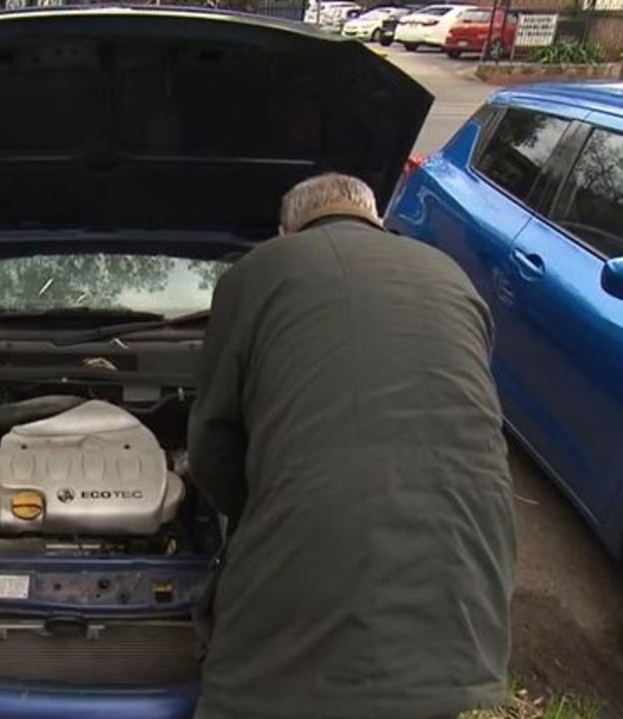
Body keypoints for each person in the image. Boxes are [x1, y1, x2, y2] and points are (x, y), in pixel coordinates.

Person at [187, 173, 516, 719]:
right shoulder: (450, 276)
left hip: (316, 545)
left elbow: (213, 447)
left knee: (252, 692)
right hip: (467, 563)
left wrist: (253, 513)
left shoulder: (259, 271)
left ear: (283, 232)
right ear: (378, 219)